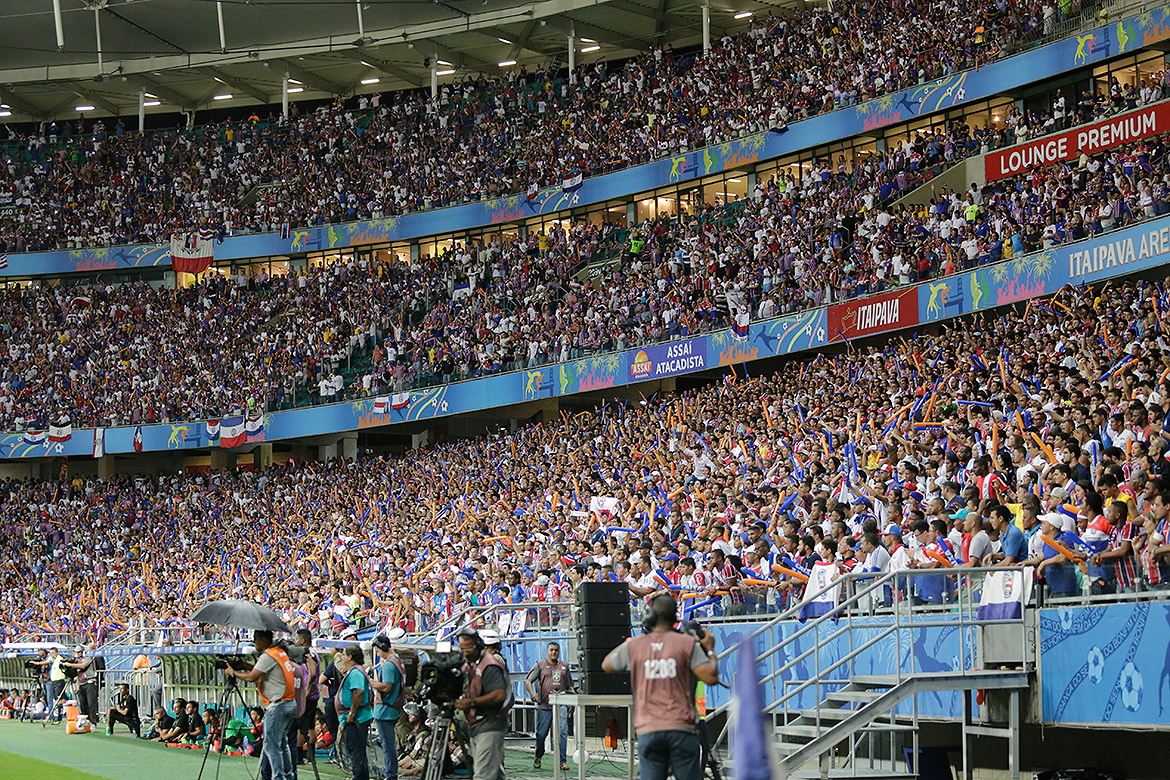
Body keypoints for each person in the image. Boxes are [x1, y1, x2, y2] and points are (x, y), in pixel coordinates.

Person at [602, 594, 718, 780]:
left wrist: (629, 645)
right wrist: (710, 649)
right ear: (675, 617)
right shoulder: (687, 644)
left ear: (650, 617)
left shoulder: (636, 645)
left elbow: (607, 664)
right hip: (681, 728)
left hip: (650, 729)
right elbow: (711, 677)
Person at [226, 630, 298, 780]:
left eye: (256, 638)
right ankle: (289, 776)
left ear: (264, 640)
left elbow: (252, 677)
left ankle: (278, 777)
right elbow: (263, 672)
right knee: (282, 743)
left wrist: (232, 672)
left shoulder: (268, 655)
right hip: (289, 703)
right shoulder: (279, 652)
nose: (254, 642)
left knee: (272, 745)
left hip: (277, 705)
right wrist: (245, 665)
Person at [454, 627, 510, 780]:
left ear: (479, 646)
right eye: (462, 649)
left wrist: (471, 702)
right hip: (478, 724)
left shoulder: (490, 664)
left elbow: (499, 694)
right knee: (494, 774)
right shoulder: (472, 663)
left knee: (482, 776)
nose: (465, 653)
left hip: (490, 723)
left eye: (468, 649)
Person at [525, 641, 573, 771]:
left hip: (561, 705)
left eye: (556, 650)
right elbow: (528, 680)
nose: (554, 652)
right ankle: (538, 756)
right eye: (551, 650)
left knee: (562, 732)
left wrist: (571, 705)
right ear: (547, 651)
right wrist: (532, 694)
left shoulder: (565, 666)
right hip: (545, 706)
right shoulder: (540, 665)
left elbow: (569, 686)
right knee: (541, 734)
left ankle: (562, 761)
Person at [336, 643, 374, 780]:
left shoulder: (356, 672)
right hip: (357, 718)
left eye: (344, 655)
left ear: (350, 657)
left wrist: (352, 713)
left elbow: (358, 692)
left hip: (357, 719)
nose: (343, 657)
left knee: (356, 753)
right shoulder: (355, 671)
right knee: (357, 753)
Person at [370, 635, 405, 780]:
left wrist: (370, 682)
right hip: (392, 707)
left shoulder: (390, 664)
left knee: (388, 744)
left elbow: (387, 687)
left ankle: (391, 774)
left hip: (386, 709)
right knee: (388, 743)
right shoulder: (398, 661)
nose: (378, 654)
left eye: (378, 651)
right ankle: (391, 773)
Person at [65, 644, 98, 724]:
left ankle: (93, 721)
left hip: (89, 682)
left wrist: (70, 665)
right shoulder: (76, 660)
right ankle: (84, 720)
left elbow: (83, 666)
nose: (77, 654)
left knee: (91, 703)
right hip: (81, 683)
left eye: (79, 652)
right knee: (83, 703)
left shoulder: (88, 658)